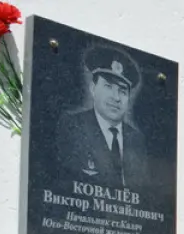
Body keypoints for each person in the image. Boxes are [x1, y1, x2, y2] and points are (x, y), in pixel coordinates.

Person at [56, 46, 150, 190]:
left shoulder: (136, 139)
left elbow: (143, 194)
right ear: (93, 89)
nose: (116, 97)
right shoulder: (73, 126)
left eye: (122, 91)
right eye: (108, 86)